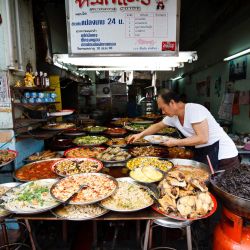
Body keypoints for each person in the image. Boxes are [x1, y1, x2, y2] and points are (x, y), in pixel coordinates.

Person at [128, 89, 239, 170]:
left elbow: (203, 138)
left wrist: (176, 142)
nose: (162, 112)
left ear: (172, 103)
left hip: (223, 156)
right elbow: (158, 126)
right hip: (205, 152)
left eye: (163, 108)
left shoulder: (194, 110)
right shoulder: (174, 116)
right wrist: (140, 135)